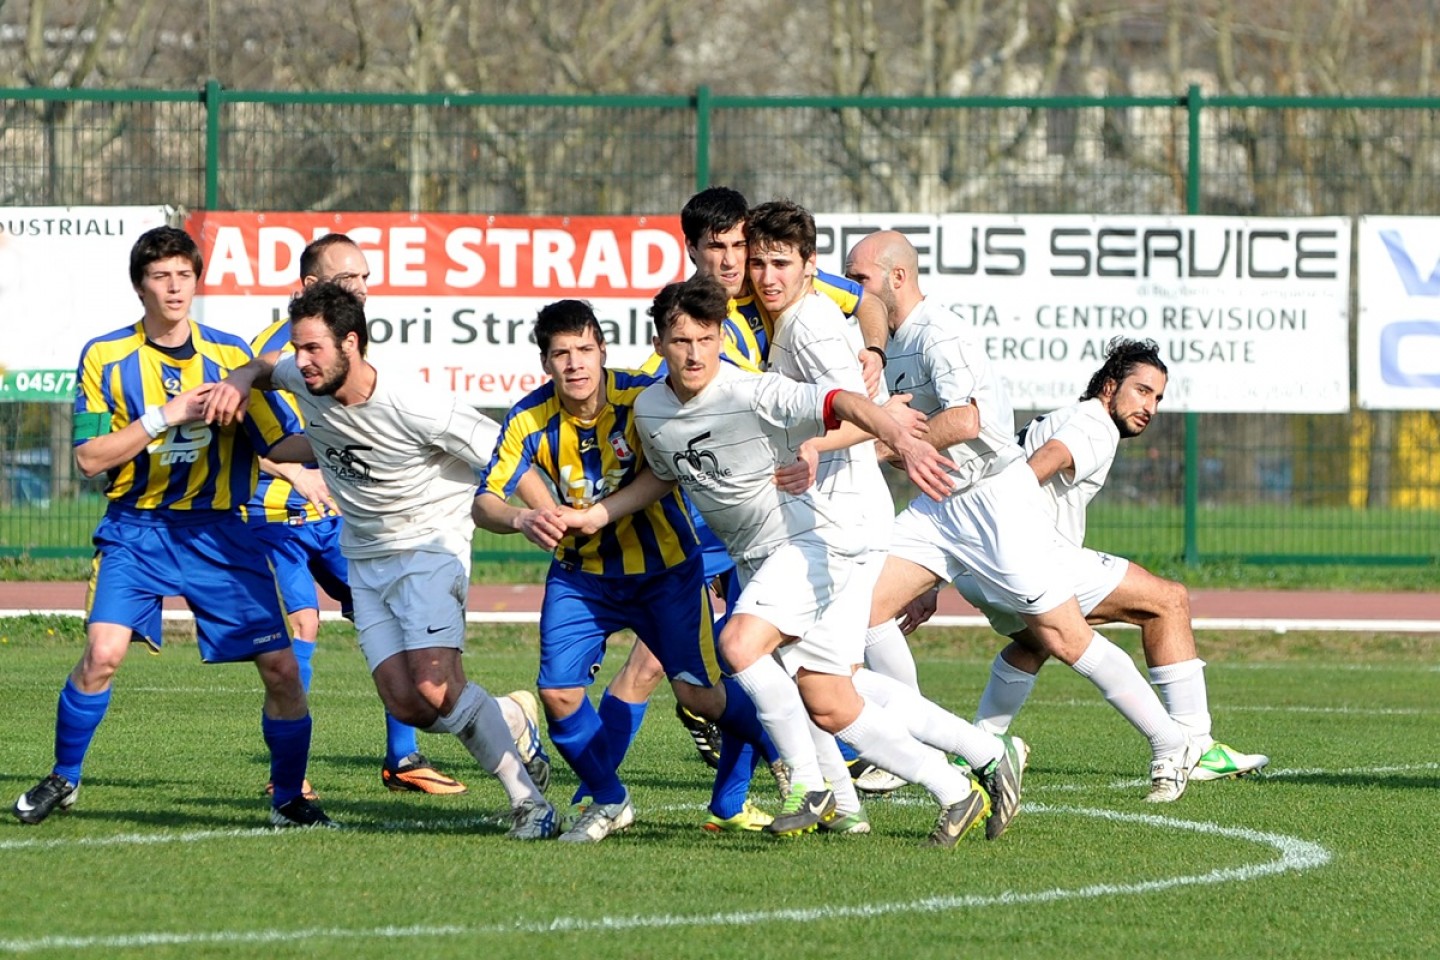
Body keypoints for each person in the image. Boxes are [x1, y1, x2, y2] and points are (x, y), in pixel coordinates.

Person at [621, 275, 1001, 847]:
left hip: (812, 538)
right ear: (659, 345)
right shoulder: (652, 406)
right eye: (681, 341)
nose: (695, 351)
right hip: (763, 552)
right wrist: (593, 517)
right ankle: (955, 784)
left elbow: (837, 397)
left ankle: (810, 787)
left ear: (721, 336)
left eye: (705, 338)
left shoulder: (763, 372)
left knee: (739, 646)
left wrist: (899, 434)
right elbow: (663, 473)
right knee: (828, 694)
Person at [847, 230, 1206, 805]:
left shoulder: (944, 333)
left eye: (858, 278)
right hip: (942, 503)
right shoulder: (895, 338)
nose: (850, 289)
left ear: (897, 278)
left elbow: (967, 421)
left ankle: (1171, 742)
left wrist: (884, 447)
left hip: (993, 499)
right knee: (857, 613)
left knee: (1062, 638)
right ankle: (911, 747)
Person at [206, 283, 555, 840]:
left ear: (352, 343)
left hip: (429, 548)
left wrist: (549, 519)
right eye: (298, 348)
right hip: (365, 557)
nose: (302, 361)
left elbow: (504, 455)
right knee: (407, 703)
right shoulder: (306, 376)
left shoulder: (417, 404)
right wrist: (241, 377)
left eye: (313, 348)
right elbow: (268, 369)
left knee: (437, 687)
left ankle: (530, 805)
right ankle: (512, 717)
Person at [12, 225, 334, 829]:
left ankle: (290, 798)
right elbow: (88, 458)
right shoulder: (104, 356)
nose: (175, 286)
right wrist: (167, 413)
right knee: (102, 654)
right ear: (140, 286)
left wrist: (334, 436)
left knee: (283, 670)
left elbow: (278, 441)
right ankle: (65, 776)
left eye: (184, 275)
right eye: (161, 276)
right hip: (136, 531)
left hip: (220, 533)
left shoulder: (231, 356)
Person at [474, 299, 782, 839]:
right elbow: (484, 502)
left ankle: (786, 750)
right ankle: (610, 799)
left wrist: (599, 512)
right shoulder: (528, 419)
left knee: (699, 696)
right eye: (561, 354)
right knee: (558, 694)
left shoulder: (644, 399)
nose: (575, 364)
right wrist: (522, 518)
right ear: (545, 363)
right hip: (582, 576)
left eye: (584, 350)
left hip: (664, 572)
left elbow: (667, 474)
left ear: (602, 351)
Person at [915, 337, 1268, 781]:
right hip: (1030, 558)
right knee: (1168, 601)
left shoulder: (1061, 417)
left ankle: (980, 744)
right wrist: (1010, 526)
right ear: (1108, 387)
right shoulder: (1093, 424)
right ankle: (1197, 746)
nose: (1151, 408)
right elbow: (1045, 463)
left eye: (1158, 398)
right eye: (1142, 391)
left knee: (1034, 641)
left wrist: (933, 581)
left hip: (977, 570)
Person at [243, 232, 495, 799]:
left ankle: (403, 756)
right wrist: (297, 472)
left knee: (394, 630)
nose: (360, 287)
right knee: (302, 625)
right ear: (311, 286)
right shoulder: (275, 354)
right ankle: (289, 773)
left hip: (345, 517)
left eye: (364, 277)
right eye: (346, 278)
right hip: (278, 514)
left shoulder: (354, 347)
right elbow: (252, 436)